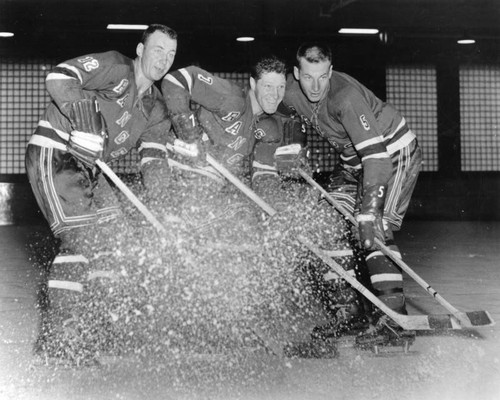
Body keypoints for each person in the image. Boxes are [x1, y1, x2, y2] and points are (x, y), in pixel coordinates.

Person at [25, 24, 178, 363]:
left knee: (116, 244)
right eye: (158, 50)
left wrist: (165, 209)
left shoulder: (156, 107)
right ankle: (58, 341)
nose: (163, 59)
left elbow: (153, 160)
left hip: (94, 169)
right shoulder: (116, 66)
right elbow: (60, 76)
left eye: (170, 54)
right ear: (141, 50)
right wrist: (85, 118)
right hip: (57, 153)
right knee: (83, 241)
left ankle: (92, 328)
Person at [282, 42, 422, 339]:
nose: (316, 86)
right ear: (296, 73)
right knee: (322, 222)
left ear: (331, 71)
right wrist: (294, 146)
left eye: (322, 76)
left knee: (373, 226)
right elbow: (288, 117)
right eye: (308, 77)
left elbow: (376, 157)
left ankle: (393, 317)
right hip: (352, 161)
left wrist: (369, 210)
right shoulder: (290, 91)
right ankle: (349, 312)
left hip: (392, 153)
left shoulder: (346, 97)